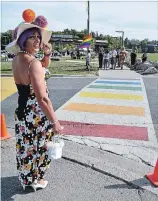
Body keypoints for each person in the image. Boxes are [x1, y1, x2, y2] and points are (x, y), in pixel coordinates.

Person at [6, 11, 63, 191]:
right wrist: (55, 121)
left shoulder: (17, 60)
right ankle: (36, 179)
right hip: (36, 113)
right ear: (23, 40)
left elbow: (41, 68)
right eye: (32, 37)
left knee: (25, 146)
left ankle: (27, 178)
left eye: (39, 36)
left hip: (22, 111)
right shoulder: (33, 63)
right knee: (41, 147)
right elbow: (42, 98)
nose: (38, 40)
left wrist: (46, 55)